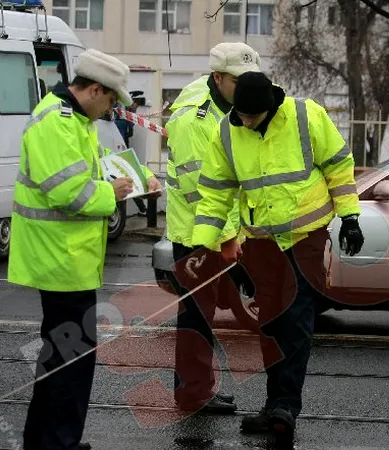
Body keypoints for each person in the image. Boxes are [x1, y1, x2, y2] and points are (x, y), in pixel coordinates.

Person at [190, 71, 365, 437]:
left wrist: (350, 216)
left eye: (252, 117)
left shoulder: (306, 116)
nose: (245, 122)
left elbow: (338, 165)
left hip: (305, 237)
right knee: (269, 323)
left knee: (295, 319)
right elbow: (216, 191)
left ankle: (286, 406)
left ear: (270, 108)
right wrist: (209, 245)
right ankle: (272, 405)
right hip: (261, 241)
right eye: (241, 115)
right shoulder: (228, 129)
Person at [7, 48, 162, 450]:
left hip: (65, 257)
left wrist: (139, 176)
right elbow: (68, 191)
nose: (111, 109)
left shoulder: (70, 118)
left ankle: (45, 440)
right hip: (60, 257)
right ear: (95, 89)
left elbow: (94, 166)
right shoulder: (59, 123)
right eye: (111, 100)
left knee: (62, 354)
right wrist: (112, 194)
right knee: (70, 359)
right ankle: (59, 442)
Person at [165, 42, 261, 415]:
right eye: (239, 80)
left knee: (201, 317)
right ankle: (193, 393)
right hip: (198, 236)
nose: (245, 87)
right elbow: (198, 191)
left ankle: (195, 388)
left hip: (222, 232)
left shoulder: (232, 110)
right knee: (196, 318)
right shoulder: (195, 120)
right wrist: (226, 240)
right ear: (218, 78)